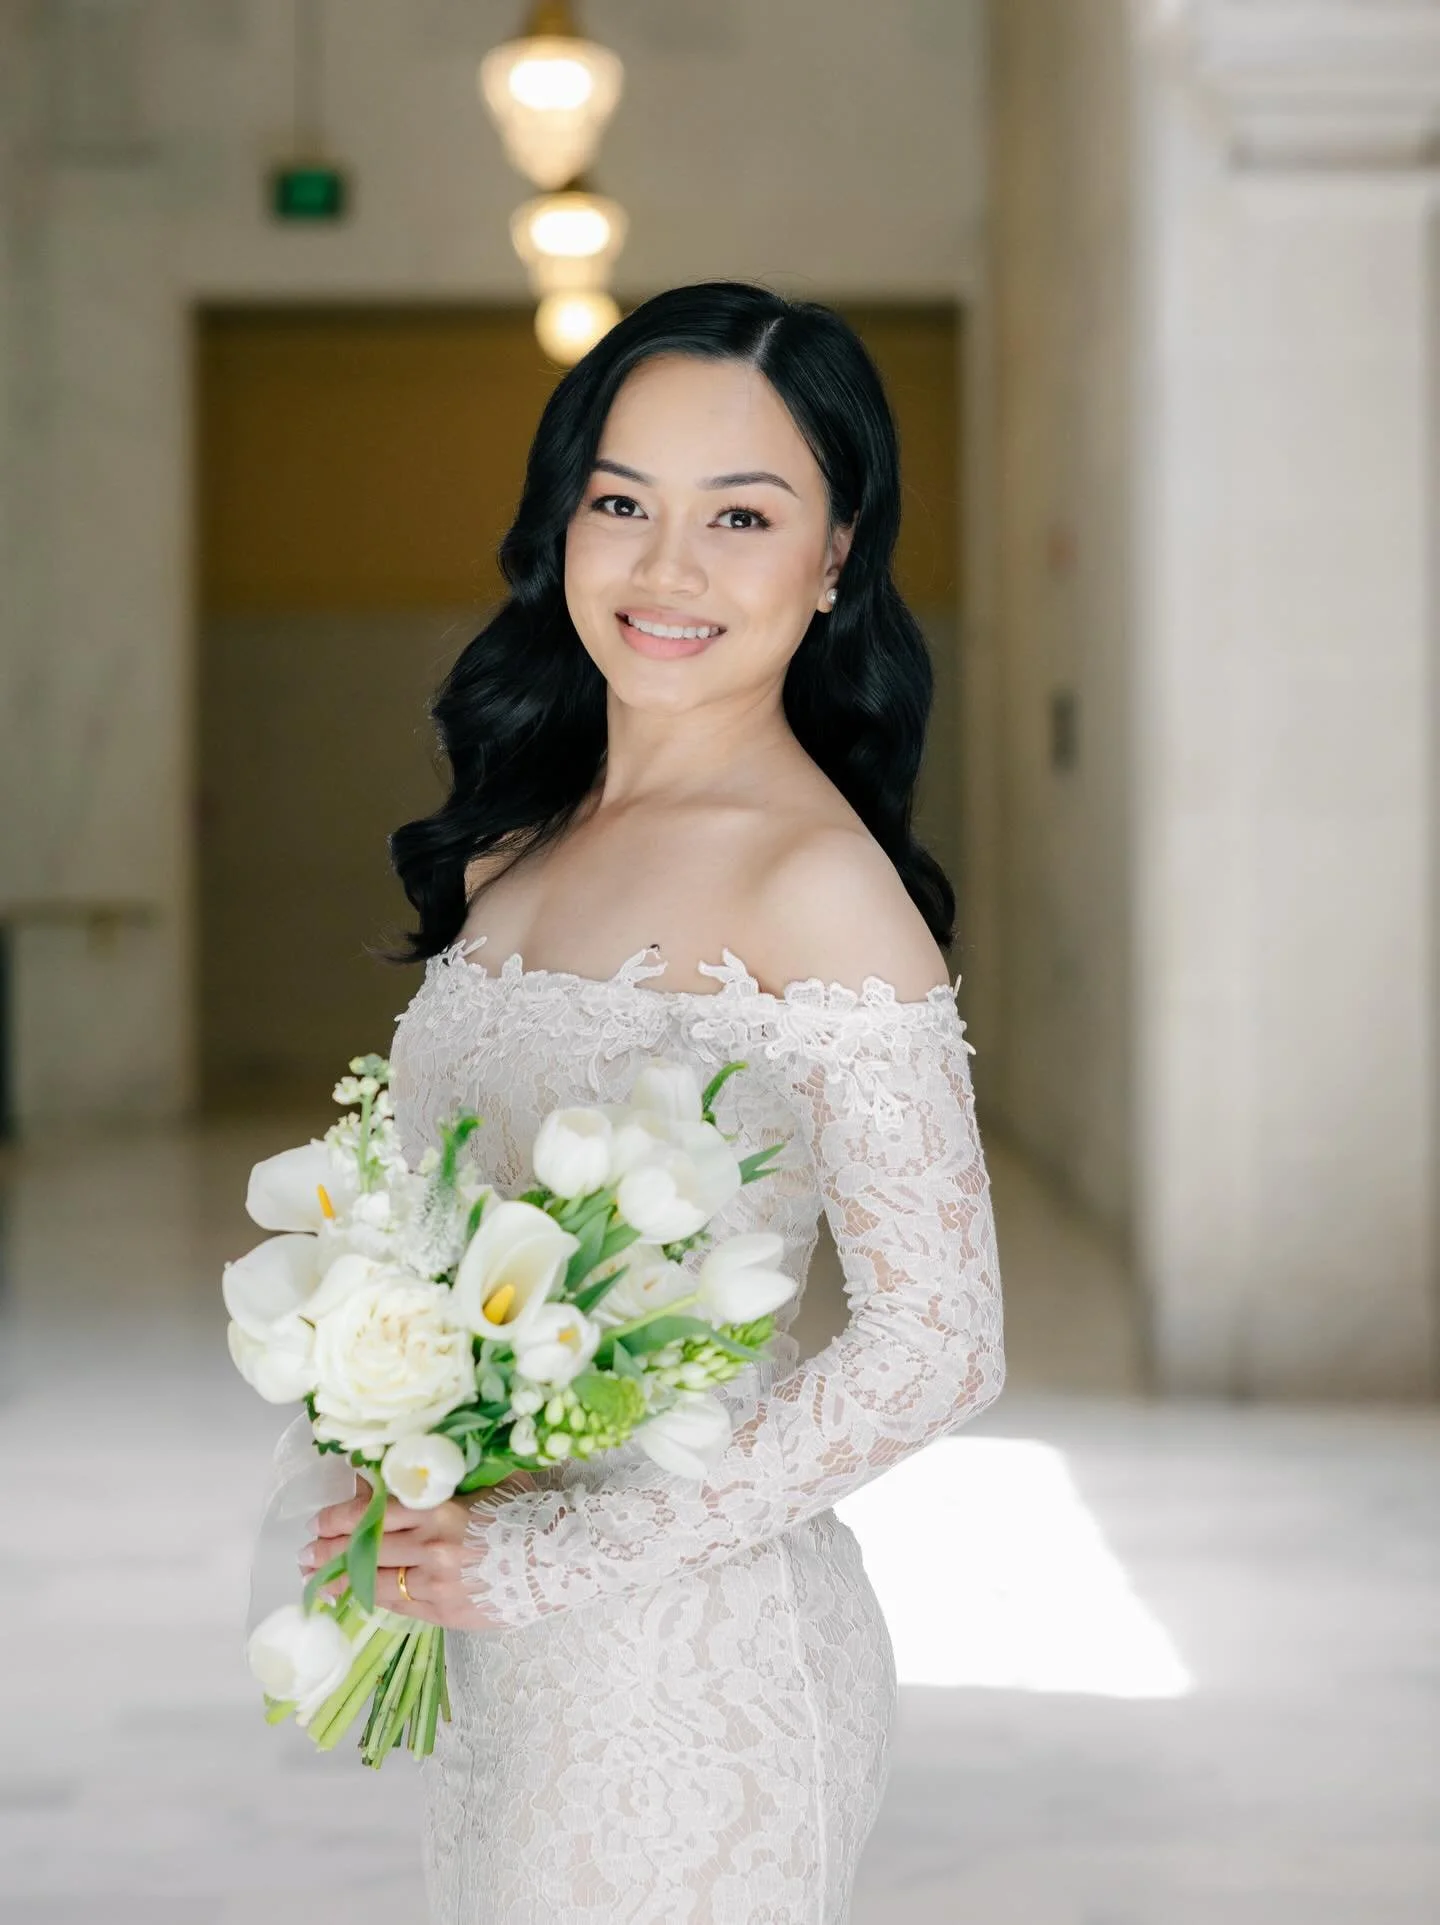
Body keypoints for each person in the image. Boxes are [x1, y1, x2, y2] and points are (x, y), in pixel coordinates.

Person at [302, 280, 1005, 1923]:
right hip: (497, 1662)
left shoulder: (819, 883)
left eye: (741, 516)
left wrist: (562, 1556)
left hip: (692, 1676)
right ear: (564, 524)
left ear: (836, 558)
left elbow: (941, 1344)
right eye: (621, 503)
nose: (666, 569)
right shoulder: (517, 845)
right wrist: (399, 1442)